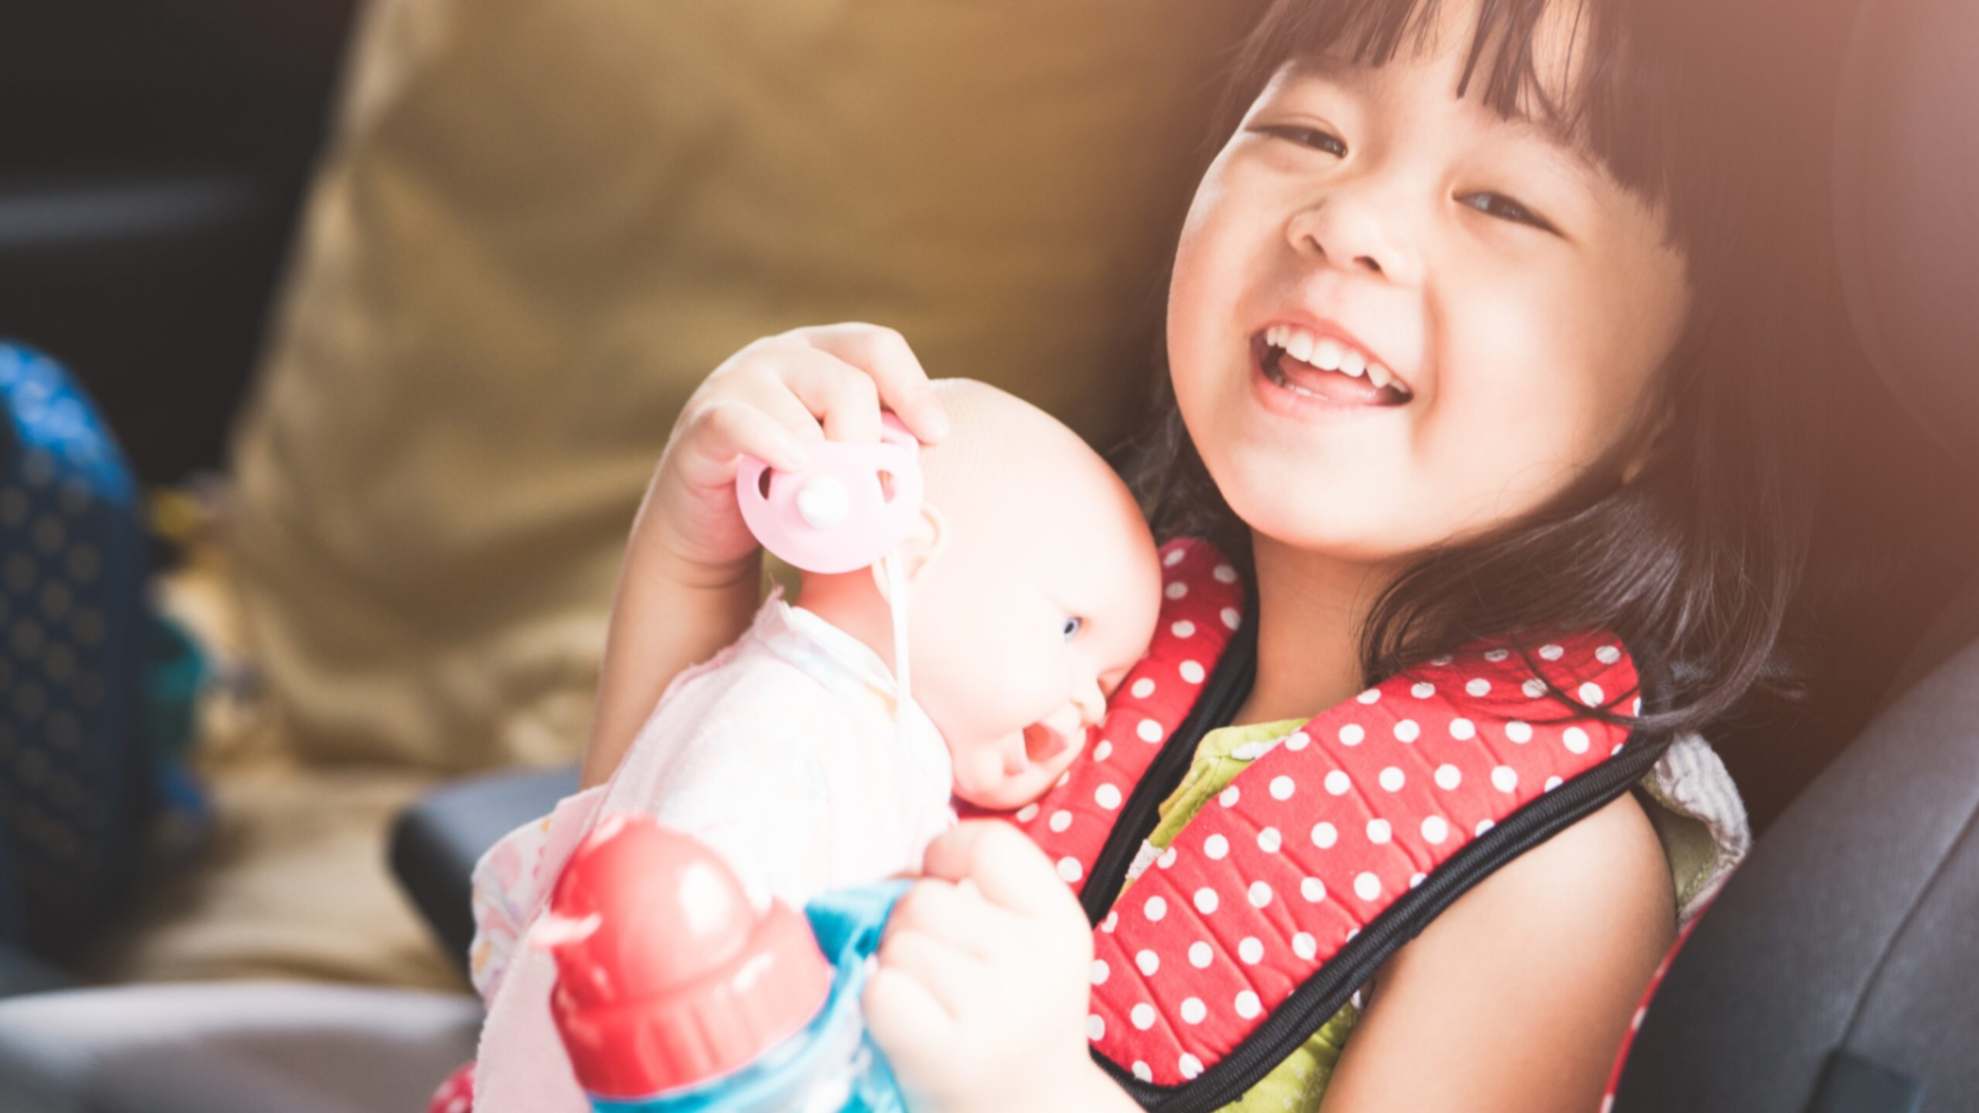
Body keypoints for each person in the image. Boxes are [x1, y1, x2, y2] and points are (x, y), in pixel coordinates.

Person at [576, 0, 1818, 1108]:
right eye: (1308, 135)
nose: (1347, 222)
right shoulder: (1073, 605)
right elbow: (656, 880)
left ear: (1664, 408)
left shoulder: (1552, 883)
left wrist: (1033, 1091)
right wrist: (695, 551)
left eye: (1501, 202)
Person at [466, 379, 1161, 1111]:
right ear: (911, 554)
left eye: (1110, 686)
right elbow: (683, 975)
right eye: (1069, 632)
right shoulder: (789, 728)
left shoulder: (853, 723)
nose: (1088, 703)